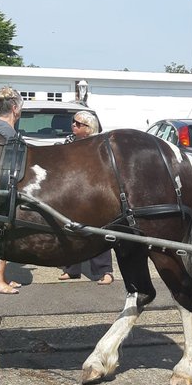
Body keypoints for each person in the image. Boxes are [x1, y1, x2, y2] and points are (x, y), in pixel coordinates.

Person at [58, 110, 115, 285]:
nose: (73, 125)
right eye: (73, 122)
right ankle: (72, 269)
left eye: (78, 124)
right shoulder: (68, 142)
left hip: (94, 193)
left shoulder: (99, 145)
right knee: (71, 229)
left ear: (89, 128)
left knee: (98, 232)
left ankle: (105, 271)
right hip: (72, 192)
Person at [0, 87, 23, 294]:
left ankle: (1, 278)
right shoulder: (5, 132)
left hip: (0, 187)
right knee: (2, 230)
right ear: (15, 107)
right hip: (0, 189)